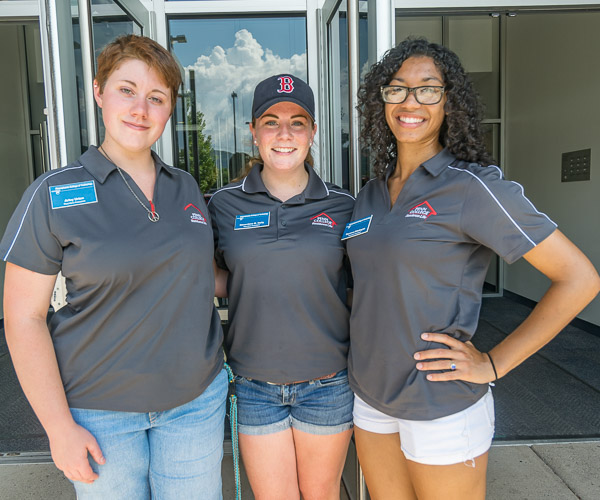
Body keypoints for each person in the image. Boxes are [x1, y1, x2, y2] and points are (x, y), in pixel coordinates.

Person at [345, 37, 600, 500]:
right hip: (370, 396)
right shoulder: (369, 194)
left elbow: (579, 278)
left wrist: (494, 364)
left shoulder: (472, 188)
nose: (410, 102)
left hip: (439, 400)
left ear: (449, 102)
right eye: (397, 88)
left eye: (428, 89)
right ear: (381, 100)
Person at [1, 34, 226, 499]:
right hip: (100, 414)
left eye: (156, 97)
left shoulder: (185, 187)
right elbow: (24, 318)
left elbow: (203, 278)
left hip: (195, 403)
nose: (140, 109)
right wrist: (58, 427)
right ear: (99, 92)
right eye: (127, 90)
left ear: (169, 109)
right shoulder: (53, 194)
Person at [208, 74, 355, 500]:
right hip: (254, 382)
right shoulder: (222, 204)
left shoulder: (344, 205)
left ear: (313, 132)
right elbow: (210, 275)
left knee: (321, 494)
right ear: (253, 132)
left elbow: (365, 285)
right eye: (271, 122)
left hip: (328, 381)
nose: (284, 134)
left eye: (297, 122)